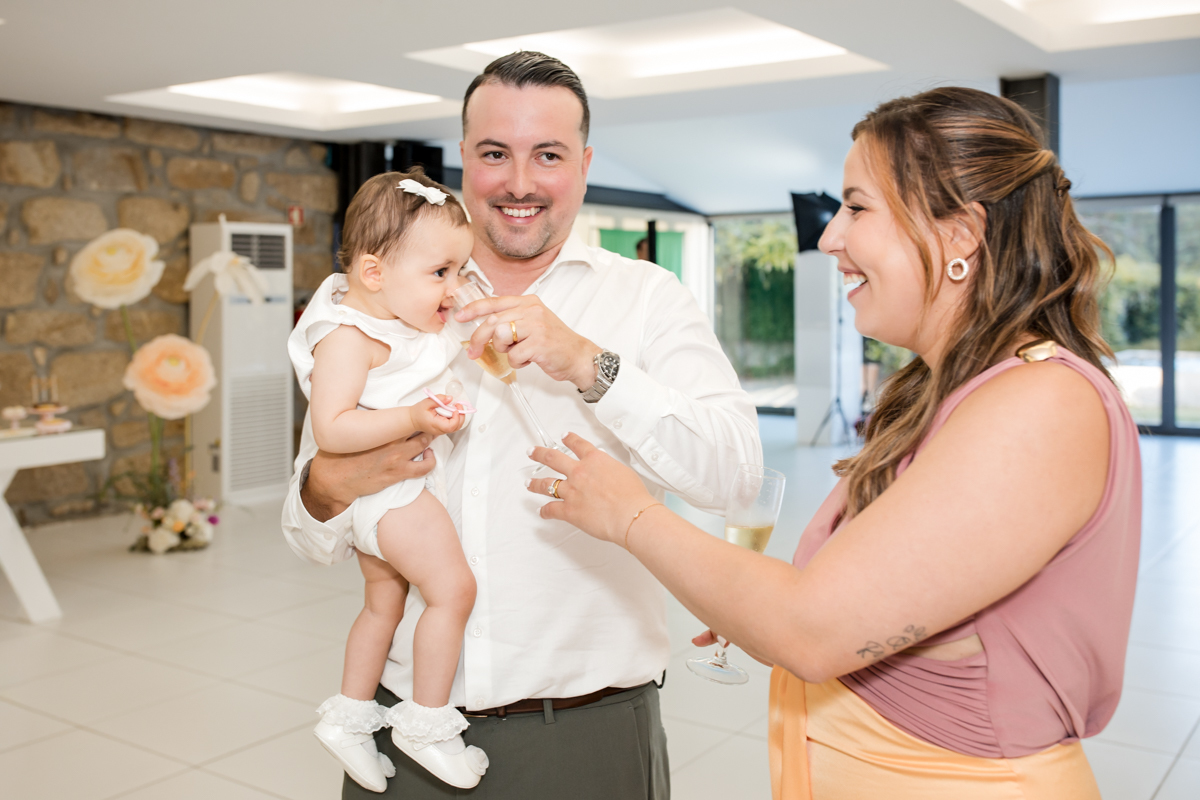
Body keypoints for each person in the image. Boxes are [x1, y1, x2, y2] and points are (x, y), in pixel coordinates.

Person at [525, 87, 1140, 799]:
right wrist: (744, 601)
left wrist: (631, 515)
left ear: (960, 235)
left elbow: (810, 629)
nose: (828, 238)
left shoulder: (1041, 404)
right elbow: (846, 605)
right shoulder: (943, 392)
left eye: (857, 207)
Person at [281, 52, 761, 799]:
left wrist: (585, 363)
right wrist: (322, 489)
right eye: (495, 154)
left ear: (585, 163)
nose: (519, 183)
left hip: (587, 730)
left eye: (549, 156)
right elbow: (308, 532)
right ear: (464, 158)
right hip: (402, 726)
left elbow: (736, 477)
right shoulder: (363, 304)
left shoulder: (646, 297)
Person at [289, 170, 490, 791]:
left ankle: (349, 717)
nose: (454, 290)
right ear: (374, 274)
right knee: (454, 591)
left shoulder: (393, 323)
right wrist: (412, 417)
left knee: (384, 603)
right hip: (391, 496)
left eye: (460, 272)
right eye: (441, 274)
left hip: (385, 499)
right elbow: (331, 429)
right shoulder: (350, 338)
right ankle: (427, 723)